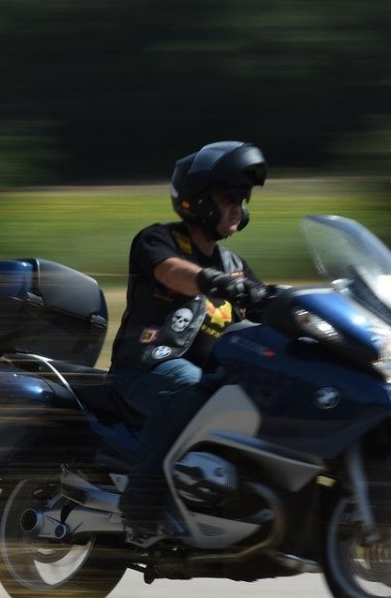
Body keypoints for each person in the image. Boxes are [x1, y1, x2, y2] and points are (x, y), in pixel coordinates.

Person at [109, 140, 267, 536]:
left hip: (211, 376)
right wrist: (208, 280)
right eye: (229, 197)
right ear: (197, 201)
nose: (238, 207)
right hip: (146, 369)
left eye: (243, 199)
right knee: (190, 388)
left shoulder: (235, 266)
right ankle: (142, 499)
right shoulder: (157, 240)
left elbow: (265, 310)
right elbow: (170, 272)